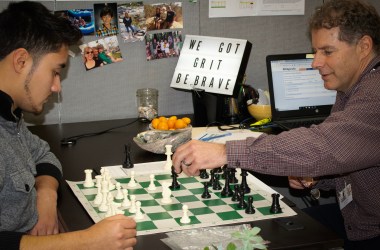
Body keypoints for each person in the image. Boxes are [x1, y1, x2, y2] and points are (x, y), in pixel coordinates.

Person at [172, 0, 380, 249]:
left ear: (364, 47)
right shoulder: (352, 87)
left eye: (327, 51)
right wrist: (315, 177)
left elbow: (326, 147)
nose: (315, 62)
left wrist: (226, 152)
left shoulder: (375, 93)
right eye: (315, 51)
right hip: (355, 220)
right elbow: (356, 159)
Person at [0, 1, 136, 249]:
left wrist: (46, 194)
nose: (56, 87)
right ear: (20, 61)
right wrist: (86, 241)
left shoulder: (9, 116)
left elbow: (43, 154)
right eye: (54, 72)